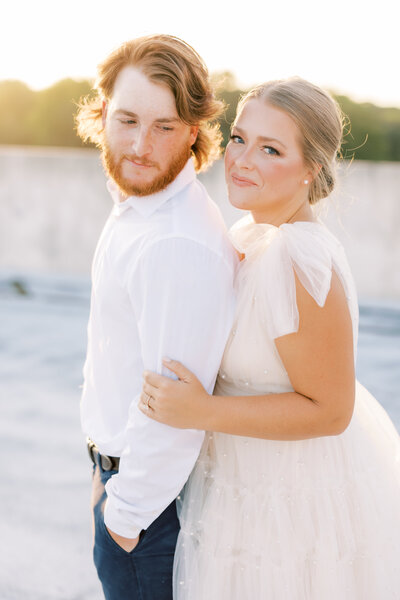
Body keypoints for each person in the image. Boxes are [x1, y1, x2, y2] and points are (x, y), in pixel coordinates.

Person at [140, 77, 400, 599]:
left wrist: (201, 411)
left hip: (290, 499)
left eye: (271, 149)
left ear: (311, 170)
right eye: (239, 138)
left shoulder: (298, 258)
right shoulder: (249, 236)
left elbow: (330, 410)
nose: (242, 160)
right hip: (237, 485)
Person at [76, 34, 237, 599]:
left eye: (164, 127)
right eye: (127, 121)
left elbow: (173, 408)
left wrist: (121, 518)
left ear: (193, 132)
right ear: (102, 113)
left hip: (146, 515)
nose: (141, 146)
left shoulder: (174, 242)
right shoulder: (141, 209)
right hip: (123, 485)